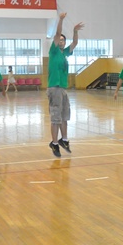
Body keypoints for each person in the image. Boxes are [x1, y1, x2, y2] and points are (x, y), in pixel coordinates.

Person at [47, 12, 84, 157]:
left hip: (62, 89)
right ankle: (55, 143)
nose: (61, 41)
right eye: (60, 40)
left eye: (63, 40)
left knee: (64, 117)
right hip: (54, 88)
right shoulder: (54, 51)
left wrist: (75, 31)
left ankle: (64, 140)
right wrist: (61, 19)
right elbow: (57, 33)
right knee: (56, 118)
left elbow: (74, 43)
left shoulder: (65, 53)